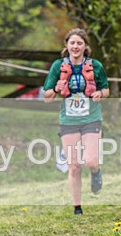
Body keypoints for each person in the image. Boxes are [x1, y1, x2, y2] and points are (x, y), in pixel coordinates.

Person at [43, 28, 110, 215]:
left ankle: (96, 172)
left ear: (85, 46)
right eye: (72, 43)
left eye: (79, 43)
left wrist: (99, 93)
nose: (75, 46)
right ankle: (77, 207)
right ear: (67, 45)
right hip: (69, 120)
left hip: (91, 118)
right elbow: (47, 97)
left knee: (90, 161)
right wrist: (56, 88)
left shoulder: (95, 66)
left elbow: (106, 90)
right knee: (74, 165)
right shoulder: (58, 66)